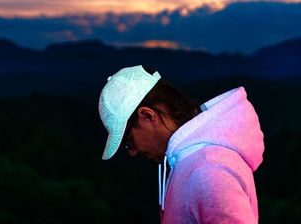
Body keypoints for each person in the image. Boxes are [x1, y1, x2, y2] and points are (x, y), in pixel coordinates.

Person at [98, 65, 264, 224]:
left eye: (129, 141)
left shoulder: (206, 170)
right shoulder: (193, 163)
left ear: (148, 116)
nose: (132, 152)